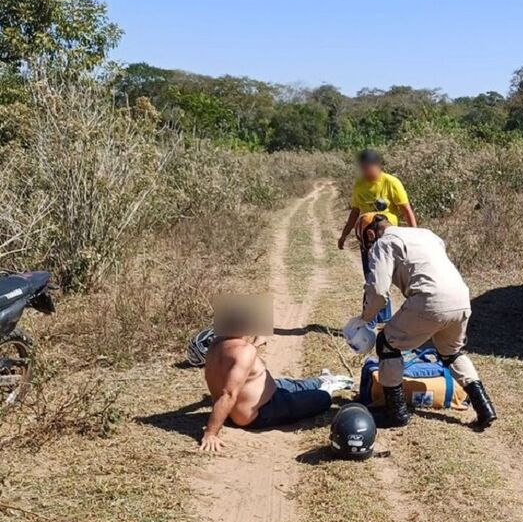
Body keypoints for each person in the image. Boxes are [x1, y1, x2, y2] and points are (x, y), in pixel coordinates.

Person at [348, 212, 497, 430]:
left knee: (386, 344)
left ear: (370, 233)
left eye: (366, 243)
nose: (368, 248)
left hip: (430, 300)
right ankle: (485, 408)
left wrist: (365, 318)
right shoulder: (427, 234)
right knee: (451, 353)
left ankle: (396, 413)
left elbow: (379, 292)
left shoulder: (384, 243)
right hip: (462, 299)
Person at [199, 300, 351, 452]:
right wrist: (210, 433)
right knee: (323, 398)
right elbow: (228, 394)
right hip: (262, 411)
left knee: (287, 384)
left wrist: (256, 343)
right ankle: (327, 387)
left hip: (266, 393)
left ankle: (320, 380)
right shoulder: (244, 352)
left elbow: (234, 361)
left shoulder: (216, 344)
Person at [337, 149, 417, 324]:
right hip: (367, 241)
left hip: (388, 241)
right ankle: (377, 319)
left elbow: (406, 211)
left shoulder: (391, 183)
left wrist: (415, 236)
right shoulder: (359, 185)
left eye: (369, 167)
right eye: (363, 168)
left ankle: (385, 318)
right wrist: (344, 235)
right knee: (371, 277)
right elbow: (355, 212)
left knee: (386, 278)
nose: (367, 171)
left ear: (378, 166)